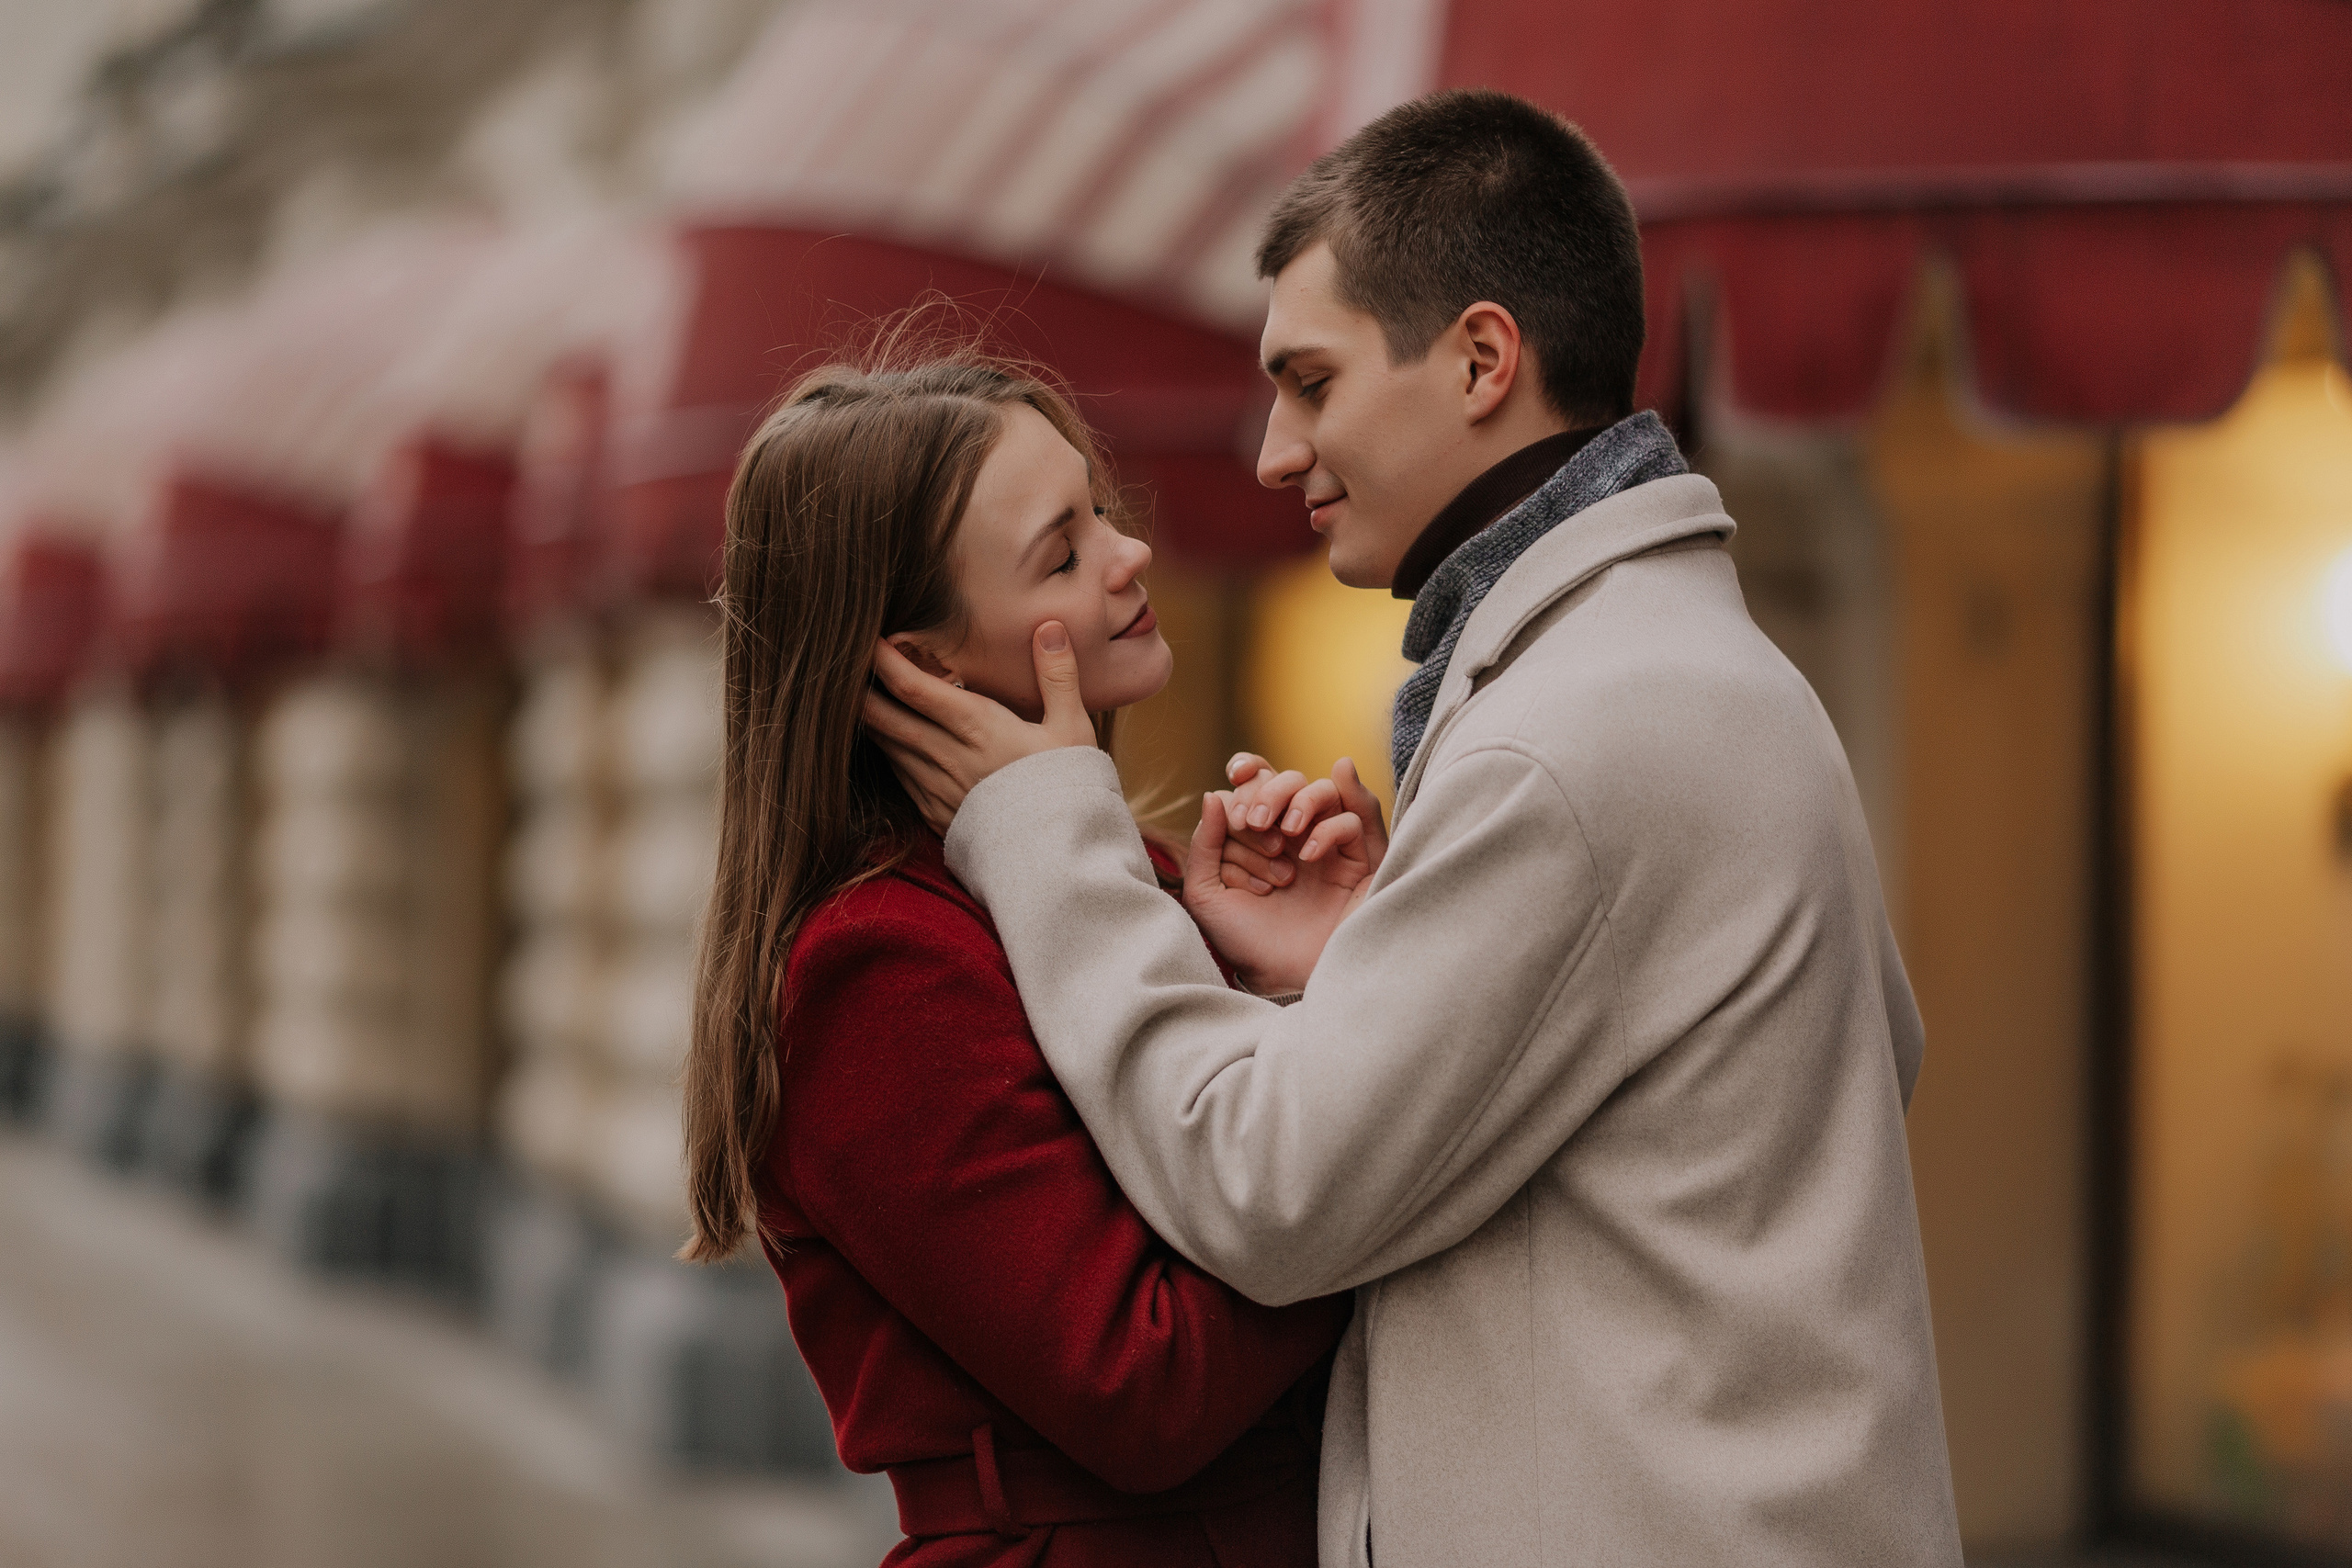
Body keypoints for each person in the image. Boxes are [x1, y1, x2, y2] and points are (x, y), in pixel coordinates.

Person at [862, 90, 1965, 1566]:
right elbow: (1848, 1063)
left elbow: (1268, 1190)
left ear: (1482, 359)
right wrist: (1370, 969)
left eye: (1309, 383)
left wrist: (1044, 829)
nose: (1272, 450)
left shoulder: (1576, 732)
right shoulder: (1689, 671)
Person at [678, 356, 1362, 1567]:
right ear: (924, 665)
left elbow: (1229, 1180)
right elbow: (1145, 1382)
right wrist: (1394, 1115)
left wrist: (1296, 976)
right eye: (1061, 552)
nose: (1128, 555)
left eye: (1099, 509)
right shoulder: (876, 971)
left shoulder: (1115, 880)